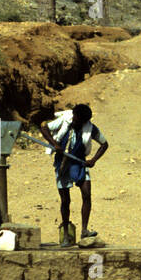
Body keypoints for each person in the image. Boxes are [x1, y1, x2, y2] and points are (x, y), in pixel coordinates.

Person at [39, 103, 108, 246]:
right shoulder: (65, 120)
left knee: (87, 195)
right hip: (62, 164)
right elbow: (44, 128)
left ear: (84, 121)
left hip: (80, 164)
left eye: (79, 121)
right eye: (75, 118)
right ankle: (66, 235)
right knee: (65, 201)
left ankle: (84, 230)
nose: (75, 122)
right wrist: (54, 144)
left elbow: (104, 144)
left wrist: (93, 160)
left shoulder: (90, 128)